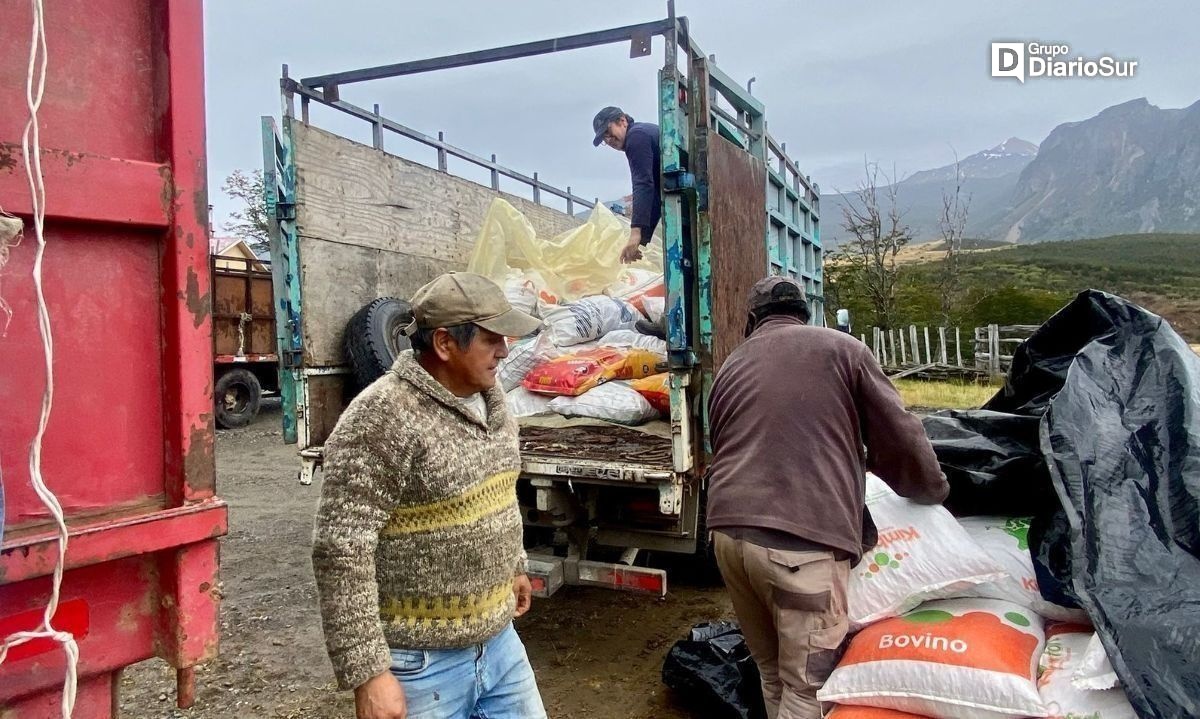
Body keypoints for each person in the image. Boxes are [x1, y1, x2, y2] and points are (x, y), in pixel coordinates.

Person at [705, 276, 949, 719]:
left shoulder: (730, 365)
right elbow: (900, 436)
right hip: (800, 545)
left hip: (727, 536)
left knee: (771, 670)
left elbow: (719, 442)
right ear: (805, 314)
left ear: (752, 321)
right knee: (807, 686)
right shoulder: (844, 350)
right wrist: (931, 489)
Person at [311, 272, 547, 719]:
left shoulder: (496, 405)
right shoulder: (381, 418)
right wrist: (369, 674)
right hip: (419, 667)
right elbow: (341, 548)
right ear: (444, 343)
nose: (505, 351)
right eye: (492, 339)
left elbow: (499, 497)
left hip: (500, 647)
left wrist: (514, 566)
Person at [592, 105, 660, 264]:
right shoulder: (641, 134)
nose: (608, 140)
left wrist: (635, 234)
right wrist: (641, 242)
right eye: (604, 139)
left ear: (622, 121)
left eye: (608, 132)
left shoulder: (636, 137)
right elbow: (655, 193)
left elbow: (643, 184)